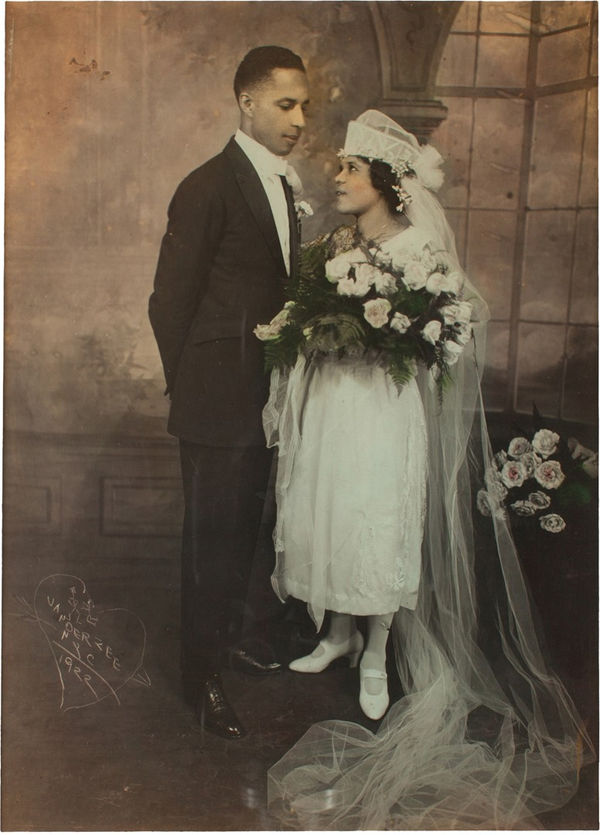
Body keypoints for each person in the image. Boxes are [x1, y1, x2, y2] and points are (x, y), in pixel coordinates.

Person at [261, 111, 593, 827]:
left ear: (386, 181)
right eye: (341, 167)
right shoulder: (339, 244)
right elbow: (305, 322)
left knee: (377, 516)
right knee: (332, 509)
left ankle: (377, 646)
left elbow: (461, 320)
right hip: (335, 404)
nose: (339, 177)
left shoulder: (417, 247)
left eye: (351, 168)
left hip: (383, 408)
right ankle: (338, 632)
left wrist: (406, 335)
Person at [148, 46, 309, 740]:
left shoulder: (282, 184)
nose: (300, 119)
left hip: (263, 400)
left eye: (304, 105)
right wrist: (196, 389)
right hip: (216, 403)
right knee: (211, 541)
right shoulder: (208, 184)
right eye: (285, 104)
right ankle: (201, 675)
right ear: (246, 102)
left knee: (247, 532)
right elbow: (168, 303)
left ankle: (229, 639)